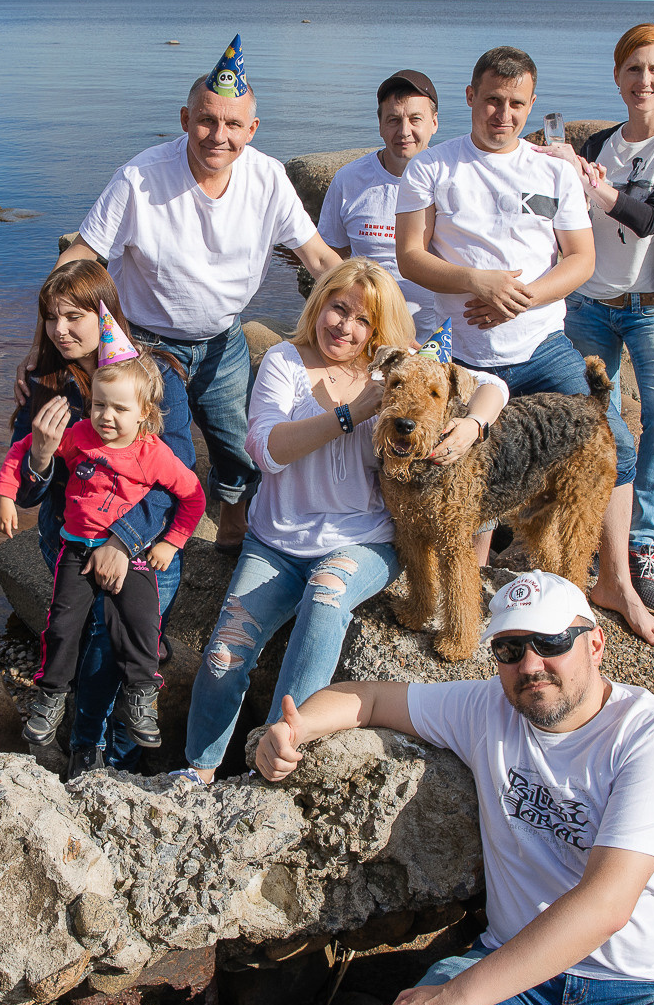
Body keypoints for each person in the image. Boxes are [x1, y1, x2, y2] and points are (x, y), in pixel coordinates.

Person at [254, 570, 654, 1005]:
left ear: (594, 643)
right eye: (510, 648)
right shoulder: (485, 709)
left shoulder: (650, 739)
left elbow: (605, 906)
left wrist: (457, 997)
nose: (530, 664)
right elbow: (366, 698)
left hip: (638, 995)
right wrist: (294, 731)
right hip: (513, 974)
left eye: (550, 643)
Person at [180, 259, 507, 782]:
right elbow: (264, 449)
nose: (346, 327)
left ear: (379, 332)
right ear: (320, 303)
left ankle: (273, 751)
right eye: (339, 309)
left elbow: (493, 385)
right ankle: (197, 769)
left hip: (364, 539)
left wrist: (472, 425)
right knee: (224, 653)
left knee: (327, 597)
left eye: (364, 321)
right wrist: (351, 413)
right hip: (276, 542)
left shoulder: (395, 368)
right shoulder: (284, 362)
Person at [394, 46, 654, 646]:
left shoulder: (553, 172)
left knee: (615, 446)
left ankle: (613, 578)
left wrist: (522, 296)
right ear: (470, 96)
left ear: (531, 105)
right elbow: (409, 255)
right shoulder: (432, 168)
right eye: (492, 100)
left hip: (541, 346)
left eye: (517, 105)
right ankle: (463, 578)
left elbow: (580, 259)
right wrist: (473, 281)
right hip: (461, 356)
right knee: (450, 471)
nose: (503, 115)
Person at [44, 35, 345, 553]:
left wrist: (369, 306)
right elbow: (83, 253)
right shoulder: (140, 178)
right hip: (146, 343)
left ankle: (231, 528)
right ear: (186, 119)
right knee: (167, 451)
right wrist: (53, 322)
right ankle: (152, 552)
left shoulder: (268, 178)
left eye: (232, 125)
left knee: (239, 446)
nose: (217, 135)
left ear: (252, 130)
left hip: (224, 337)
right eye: (207, 120)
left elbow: (318, 258)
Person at [545, 24, 654, 613]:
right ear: (617, 76)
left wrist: (601, 194)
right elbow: (558, 217)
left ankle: (642, 544)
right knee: (599, 425)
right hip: (589, 305)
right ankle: (601, 542)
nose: (643, 81)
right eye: (632, 69)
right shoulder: (596, 145)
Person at [0, 260, 196, 777]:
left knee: (115, 643)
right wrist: (40, 456)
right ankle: (87, 748)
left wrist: (122, 541)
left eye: (73, 317)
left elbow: (175, 482)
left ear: (104, 313)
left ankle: (110, 755)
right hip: (71, 539)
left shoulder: (156, 379)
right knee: (85, 636)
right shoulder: (46, 389)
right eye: (49, 318)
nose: (59, 330)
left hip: (145, 541)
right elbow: (29, 495)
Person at [318, 70, 443, 335]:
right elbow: (329, 260)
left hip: (436, 337)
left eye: (415, 119)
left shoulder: (452, 179)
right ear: (380, 124)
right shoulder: (349, 180)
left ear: (433, 123)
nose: (404, 131)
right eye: (393, 120)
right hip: (367, 335)